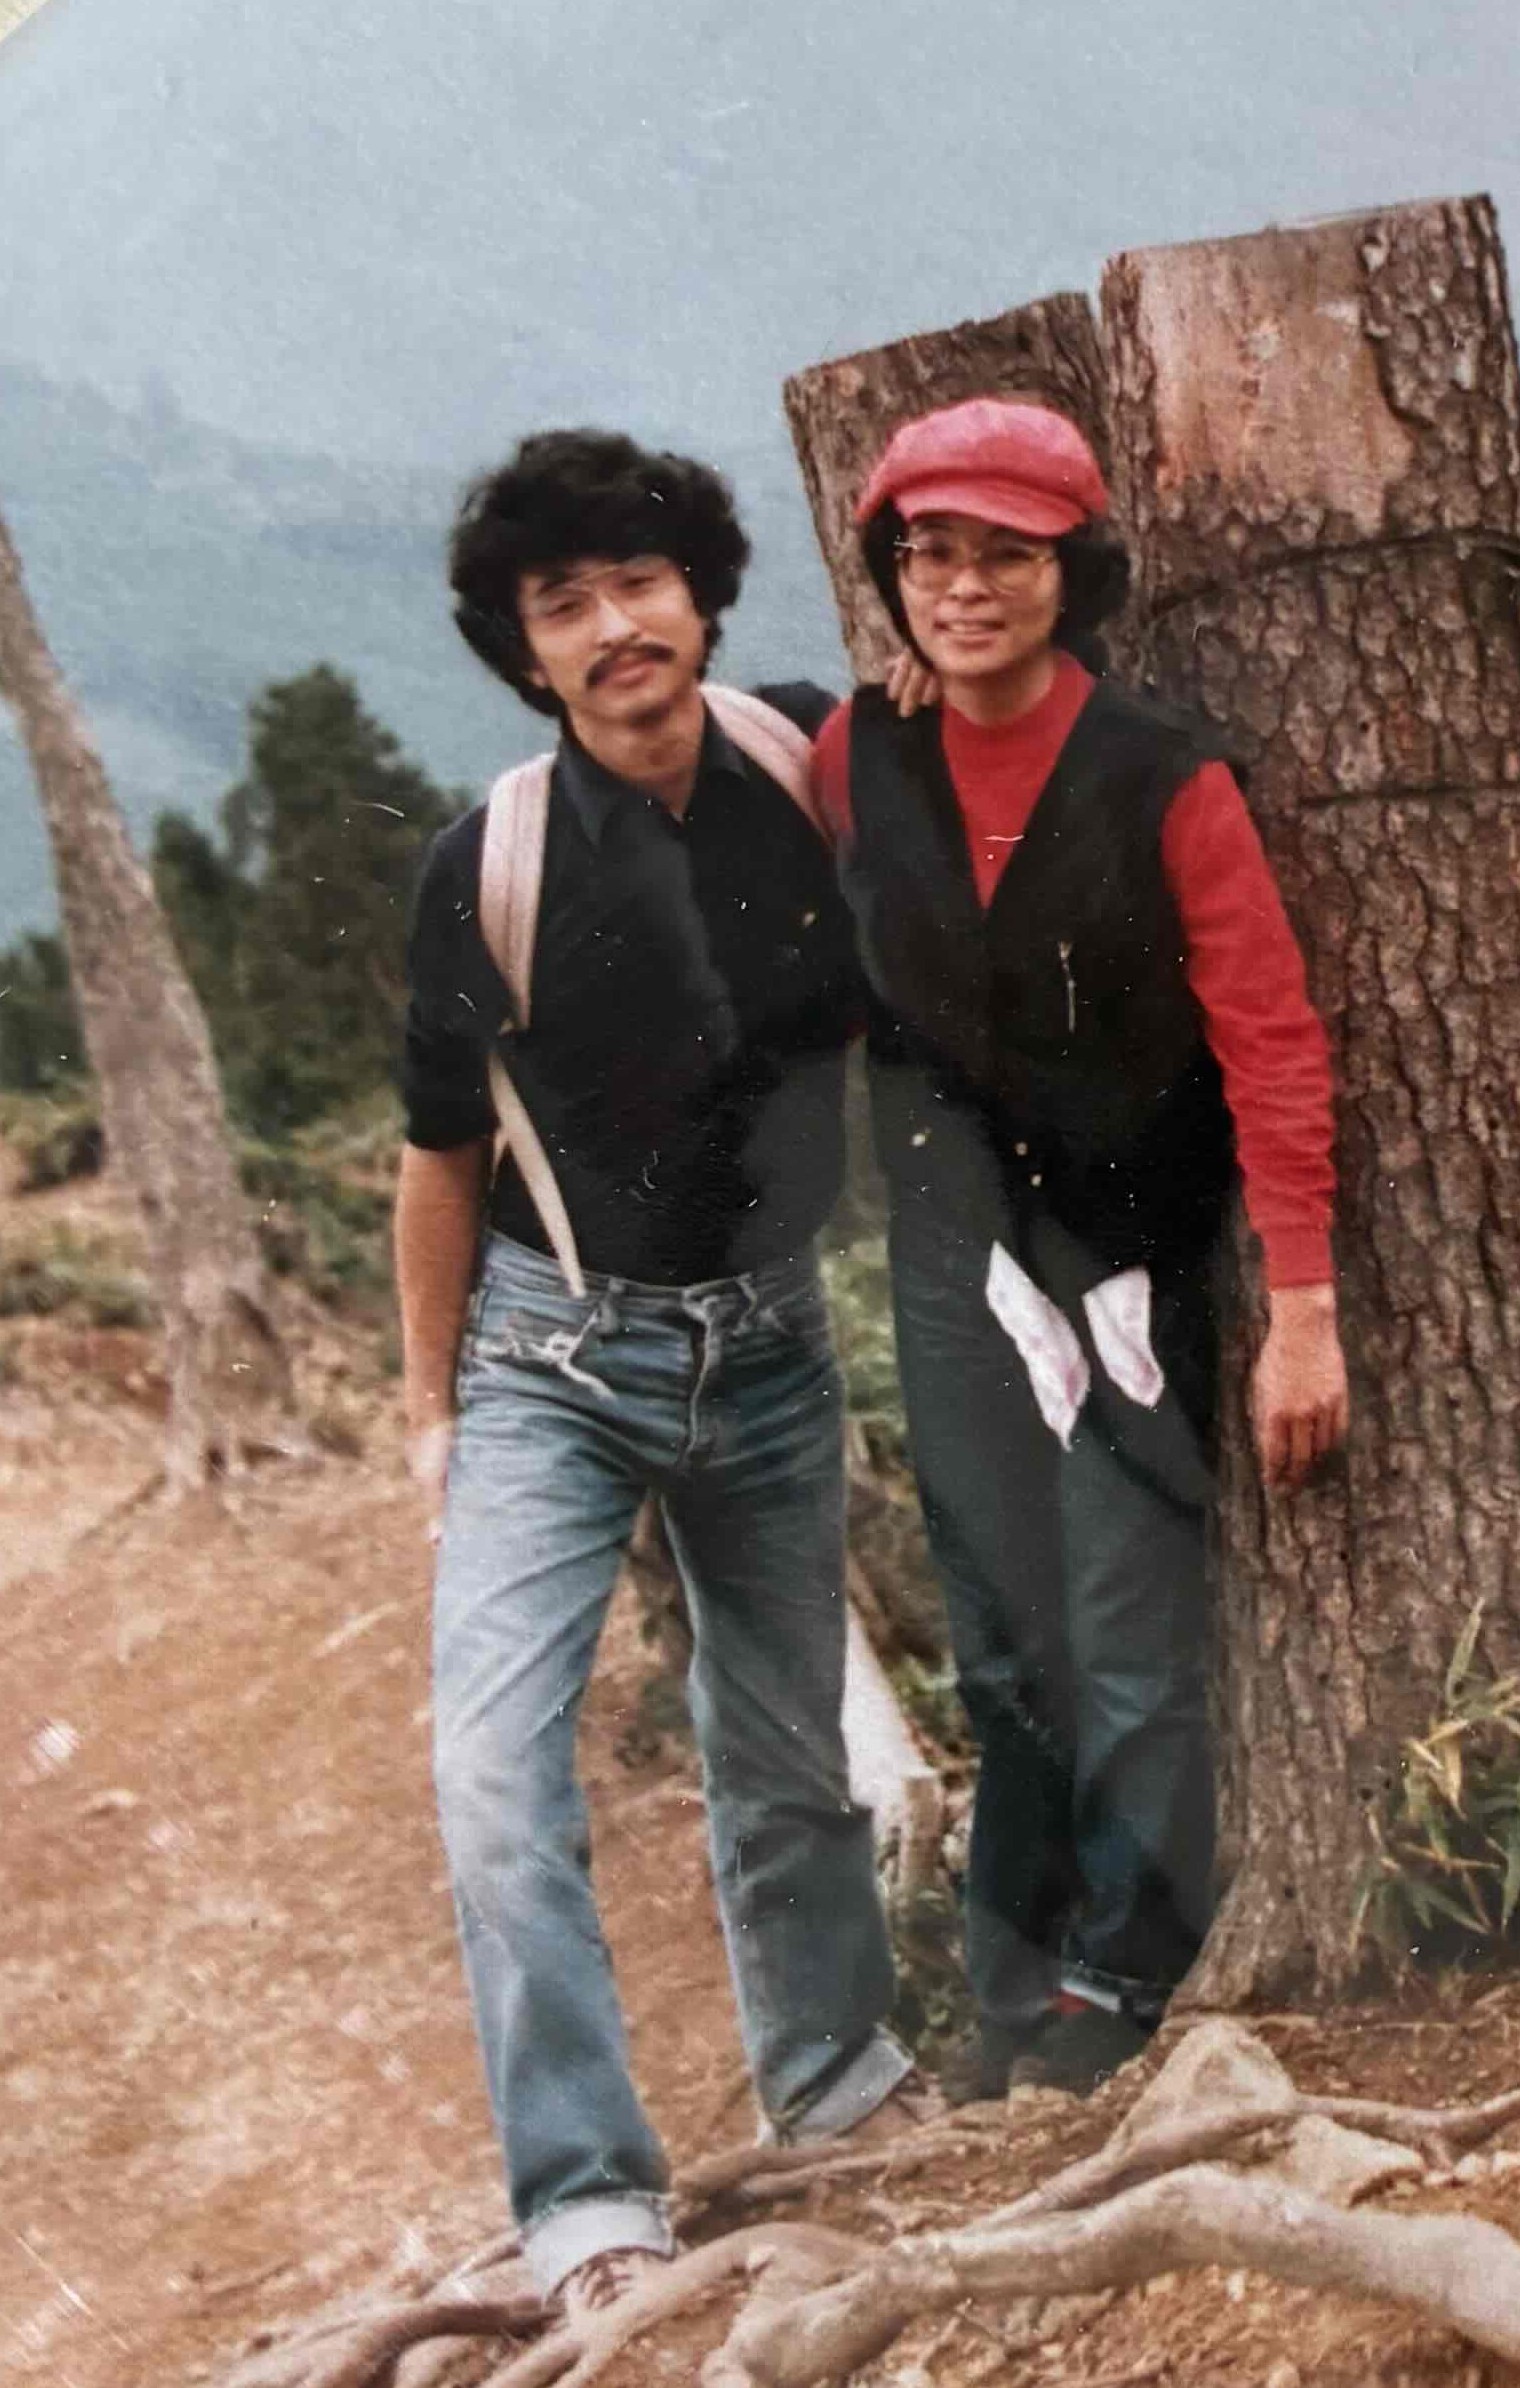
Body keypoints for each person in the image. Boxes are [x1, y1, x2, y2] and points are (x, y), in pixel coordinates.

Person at [396, 429, 926, 2322]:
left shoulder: (809, 764)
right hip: (552, 1357)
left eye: (642, 582)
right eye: (567, 603)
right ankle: (585, 2206)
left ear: (701, 596)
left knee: (784, 1750)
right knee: (489, 1771)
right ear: (525, 652)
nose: (616, 625)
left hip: (769, 1338)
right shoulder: (488, 866)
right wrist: (430, 1414)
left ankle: (837, 2086)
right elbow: (437, 1158)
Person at [811, 397, 1349, 2103]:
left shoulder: (1161, 779)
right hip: (954, 1265)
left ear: (1074, 574)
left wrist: (1304, 1307)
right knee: (999, 1643)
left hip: (1124, 1262)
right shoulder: (855, 756)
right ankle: (1011, 1983)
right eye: (929, 554)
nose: (963, 587)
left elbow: (1268, 1037)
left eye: (1006, 555)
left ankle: (1121, 1981)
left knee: (1128, 1638)